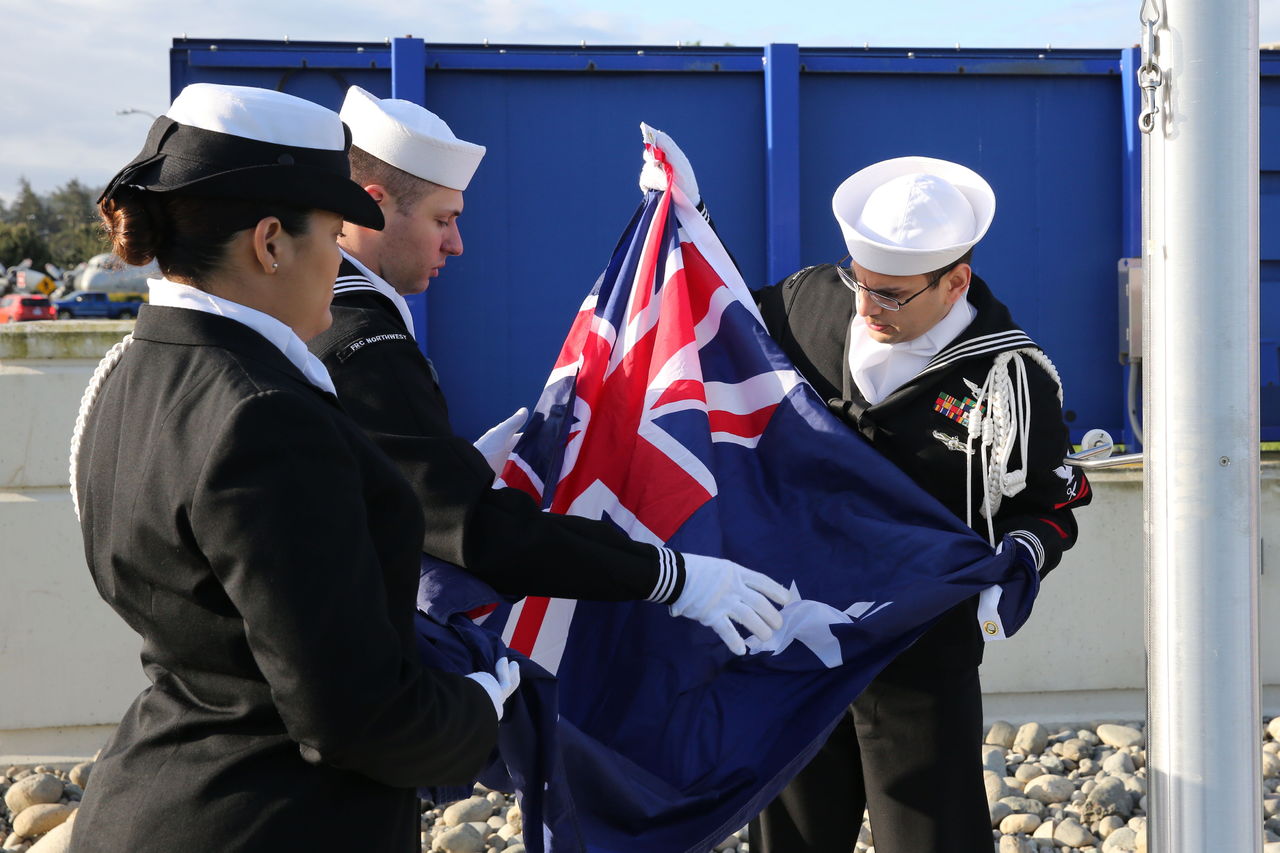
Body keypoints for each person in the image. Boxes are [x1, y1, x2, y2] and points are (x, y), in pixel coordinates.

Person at [67, 83, 520, 853]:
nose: (340, 260)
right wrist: (479, 704)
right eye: (331, 236)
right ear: (271, 243)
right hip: (269, 821)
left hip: (158, 798)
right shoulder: (267, 417)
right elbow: (353, 714)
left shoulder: (130, 371)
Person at [306, 86, 789, 657]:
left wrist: (439, 470)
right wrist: (669, 576)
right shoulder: (361, 336)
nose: (456, 245)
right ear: (372, 203)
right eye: (443, 219)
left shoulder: (327, 313)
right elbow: (478, 532)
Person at [734, 157, 1093, 851]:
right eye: (860, 282)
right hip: (795, 639)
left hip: (920, 654)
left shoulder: (1011, 377)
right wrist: (686, 226)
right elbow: (712, 326)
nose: (867, 308)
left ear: (955, 280)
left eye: (892, 295)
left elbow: (1053, 505)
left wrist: (1019, 558)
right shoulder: (809, 299)